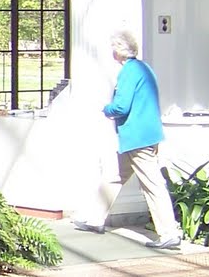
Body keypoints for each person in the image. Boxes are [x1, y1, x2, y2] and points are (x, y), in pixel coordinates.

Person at [73, 29, 182, 249]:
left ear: (118, 52)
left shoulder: (129, 73)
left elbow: (122, 106)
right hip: (145, 134)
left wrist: (106, 108)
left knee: (152, 184)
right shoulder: (144, 68)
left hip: (137, 137)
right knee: (115, 175)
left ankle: (169, 232)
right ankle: (95, 219)